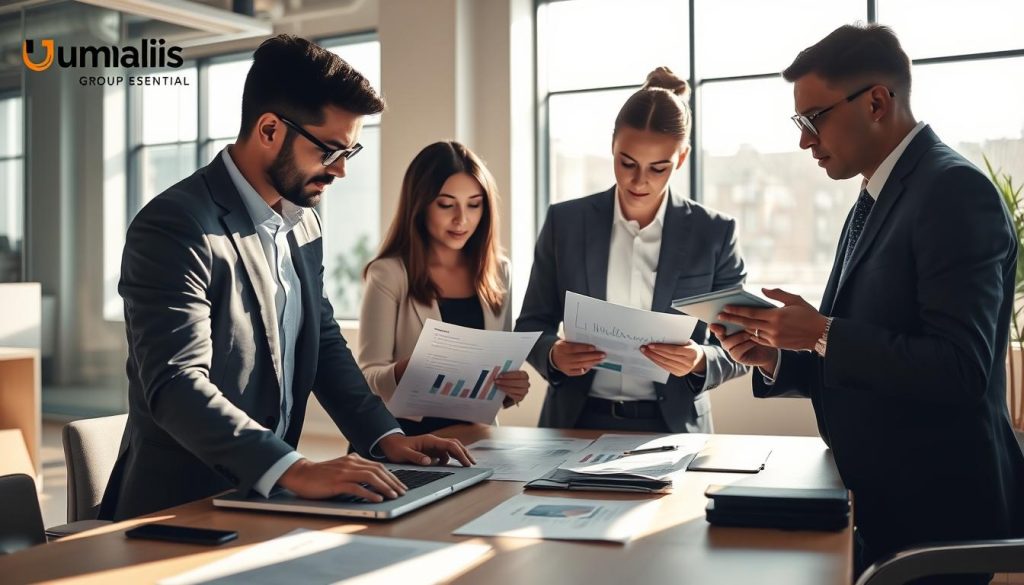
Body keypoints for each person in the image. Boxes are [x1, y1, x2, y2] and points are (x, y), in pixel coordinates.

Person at [99, 35, 473, 521]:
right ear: (270, 129)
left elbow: (321, 342)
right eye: (329, 151)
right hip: (180, 508)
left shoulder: (303, 222)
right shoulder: (176, 225)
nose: (339, 171)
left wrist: (387, 437)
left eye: (350, 152)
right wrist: (293, 468)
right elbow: (175, 383)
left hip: (268, 501)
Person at [711, 24, 1024, 584]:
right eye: (798, 123)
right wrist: (778, 355)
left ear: (877, 101)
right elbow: (870, 351)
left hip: (934, 513)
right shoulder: (877, 194)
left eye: (813, 119)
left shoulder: (954, 193)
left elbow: (960, 370)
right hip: (876, 501)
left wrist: (822, 332)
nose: (804, 140)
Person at [515, 67, 749, 433]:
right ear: (612, 146)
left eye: (658, 168)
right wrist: (553, 355)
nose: (639, 181)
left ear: (682, 158)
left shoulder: (714, 232)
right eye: (627, 163)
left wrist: (700, 358)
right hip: (576, 421)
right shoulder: (565, 222)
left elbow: (743, 346)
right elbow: (531, 324)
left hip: (673, 426)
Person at [358, 140, 529, 435]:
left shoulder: (500, 271)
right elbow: (367, 377)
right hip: (403, 438)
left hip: (476, 439)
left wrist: (510, 389)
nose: (462, 219)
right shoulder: (388, 274)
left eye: (474, 205)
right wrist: (406, 370)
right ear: (420, 204)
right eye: (446, 205)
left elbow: (493, 378)